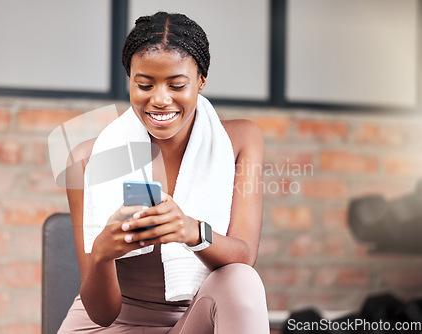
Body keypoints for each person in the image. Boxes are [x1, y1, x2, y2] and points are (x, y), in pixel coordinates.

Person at [60, 11, 268, 334]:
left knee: (242, 280)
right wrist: (101, 254)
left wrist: (191, 231)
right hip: (108, 327)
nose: (159, 99)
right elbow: (100, 313)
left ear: (200, 81)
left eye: (176, 85)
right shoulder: (88, 160)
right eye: (144, 84)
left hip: (191, 323)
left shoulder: (238, 142)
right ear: (129, 79)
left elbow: (243, 254)